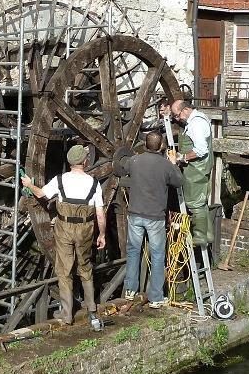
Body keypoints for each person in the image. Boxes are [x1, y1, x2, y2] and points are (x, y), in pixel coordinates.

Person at [21, 145, 106, 330]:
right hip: (85, 229)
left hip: (64, 229)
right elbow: (100, 213)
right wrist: (102, 234)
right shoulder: (94, 183)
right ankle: (91, 308)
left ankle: (67, 315)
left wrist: (29, 184)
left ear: (69, 162)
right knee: (85, 267)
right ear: (85, 162)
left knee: (64, 270)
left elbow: (41, 194)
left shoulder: (60, 180)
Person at [116, 131, 183, 307]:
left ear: (145, 145)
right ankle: (155, 297)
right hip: (155, 217)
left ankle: (130, 289)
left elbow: (121, 168)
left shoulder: (135, 160)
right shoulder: (165, 165)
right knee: (158, 255)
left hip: (135, 214)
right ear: (161, 146)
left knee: (133, 251)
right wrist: (174, 164)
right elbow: (179, 181)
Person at [167, 98, 214, 246]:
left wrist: (182, 157)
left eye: (177, 115)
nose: (177, 118)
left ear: (185, 110)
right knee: (201, 201)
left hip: (197, 168)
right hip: (200, 167)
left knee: (194, 202)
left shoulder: (196, 124)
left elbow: (201, 149)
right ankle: (208, 234)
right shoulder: (198, 118)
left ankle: (199, 237)